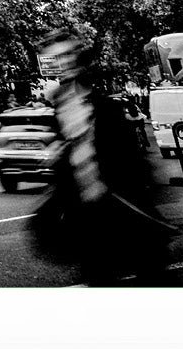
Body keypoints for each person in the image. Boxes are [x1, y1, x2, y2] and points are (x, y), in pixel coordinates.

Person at [32, 30, 172, 286]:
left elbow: (135, 164)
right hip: (89, 224)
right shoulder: (56, 112)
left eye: (66, 55)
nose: (62, 63)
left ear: (77, 57)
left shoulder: (104, 108)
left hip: (125, 215)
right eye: (54, 58)